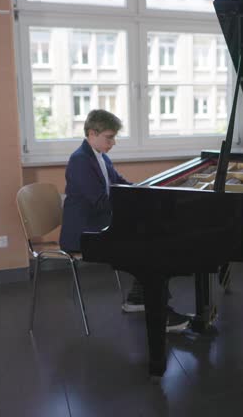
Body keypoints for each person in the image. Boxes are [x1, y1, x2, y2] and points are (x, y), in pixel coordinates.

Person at [59, 109, 190, 333]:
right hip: (84, 234)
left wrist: (142, 193)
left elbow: (119, 183)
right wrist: (135, 206)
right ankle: (159, 312)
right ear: (92, 133)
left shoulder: (99, 156)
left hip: (97, 224)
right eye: (109, 137)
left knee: (149, 235)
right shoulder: (80, 161)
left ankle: (139, 298)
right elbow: (100, 202)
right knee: (147, 243)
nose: (113, 142)